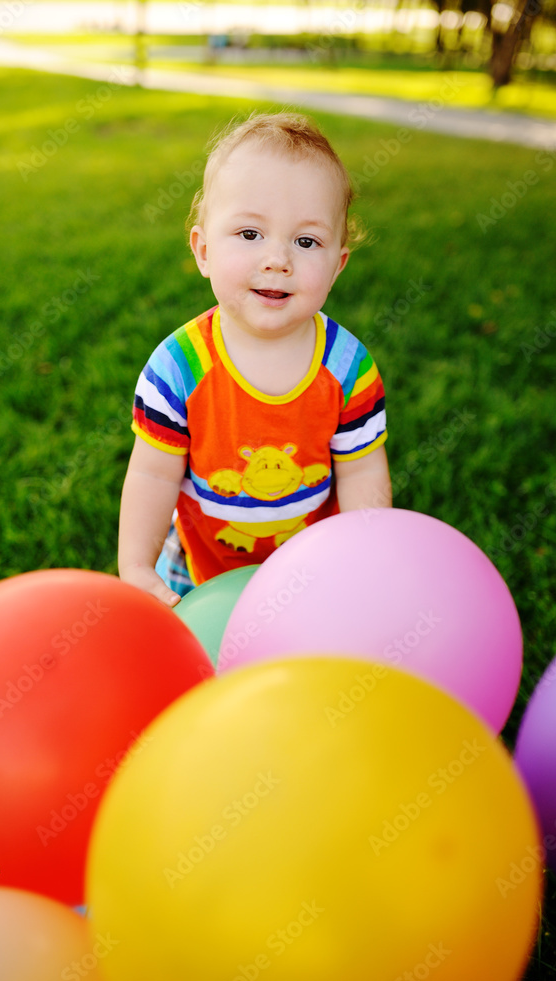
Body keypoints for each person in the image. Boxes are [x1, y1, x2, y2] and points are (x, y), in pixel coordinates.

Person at [118, 111, 392, 608]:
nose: (277, 259)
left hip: (313, 563)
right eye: (249, 234)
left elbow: (362, 473)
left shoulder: (349, 368)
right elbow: (154, 474)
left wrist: (363, 558)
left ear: (337, 267)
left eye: (306, 242)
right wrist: (136, 566)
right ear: (202, 251)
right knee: (196, 665)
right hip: (198, 565)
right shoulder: (178, 369)